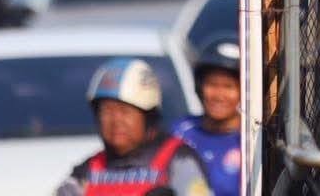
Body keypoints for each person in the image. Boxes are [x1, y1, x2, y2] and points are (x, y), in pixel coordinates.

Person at [57, 57, 210, 196]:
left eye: (125, 111)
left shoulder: (179, 159)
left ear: (148, 116)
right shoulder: (87, 171)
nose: (116, 121)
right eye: (107, 111)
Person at [172, 35, 242, 196]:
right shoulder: (180, 132)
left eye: (228, 87)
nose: (219, 95)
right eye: (212, 84)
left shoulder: (251, 139)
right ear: (199, 87)